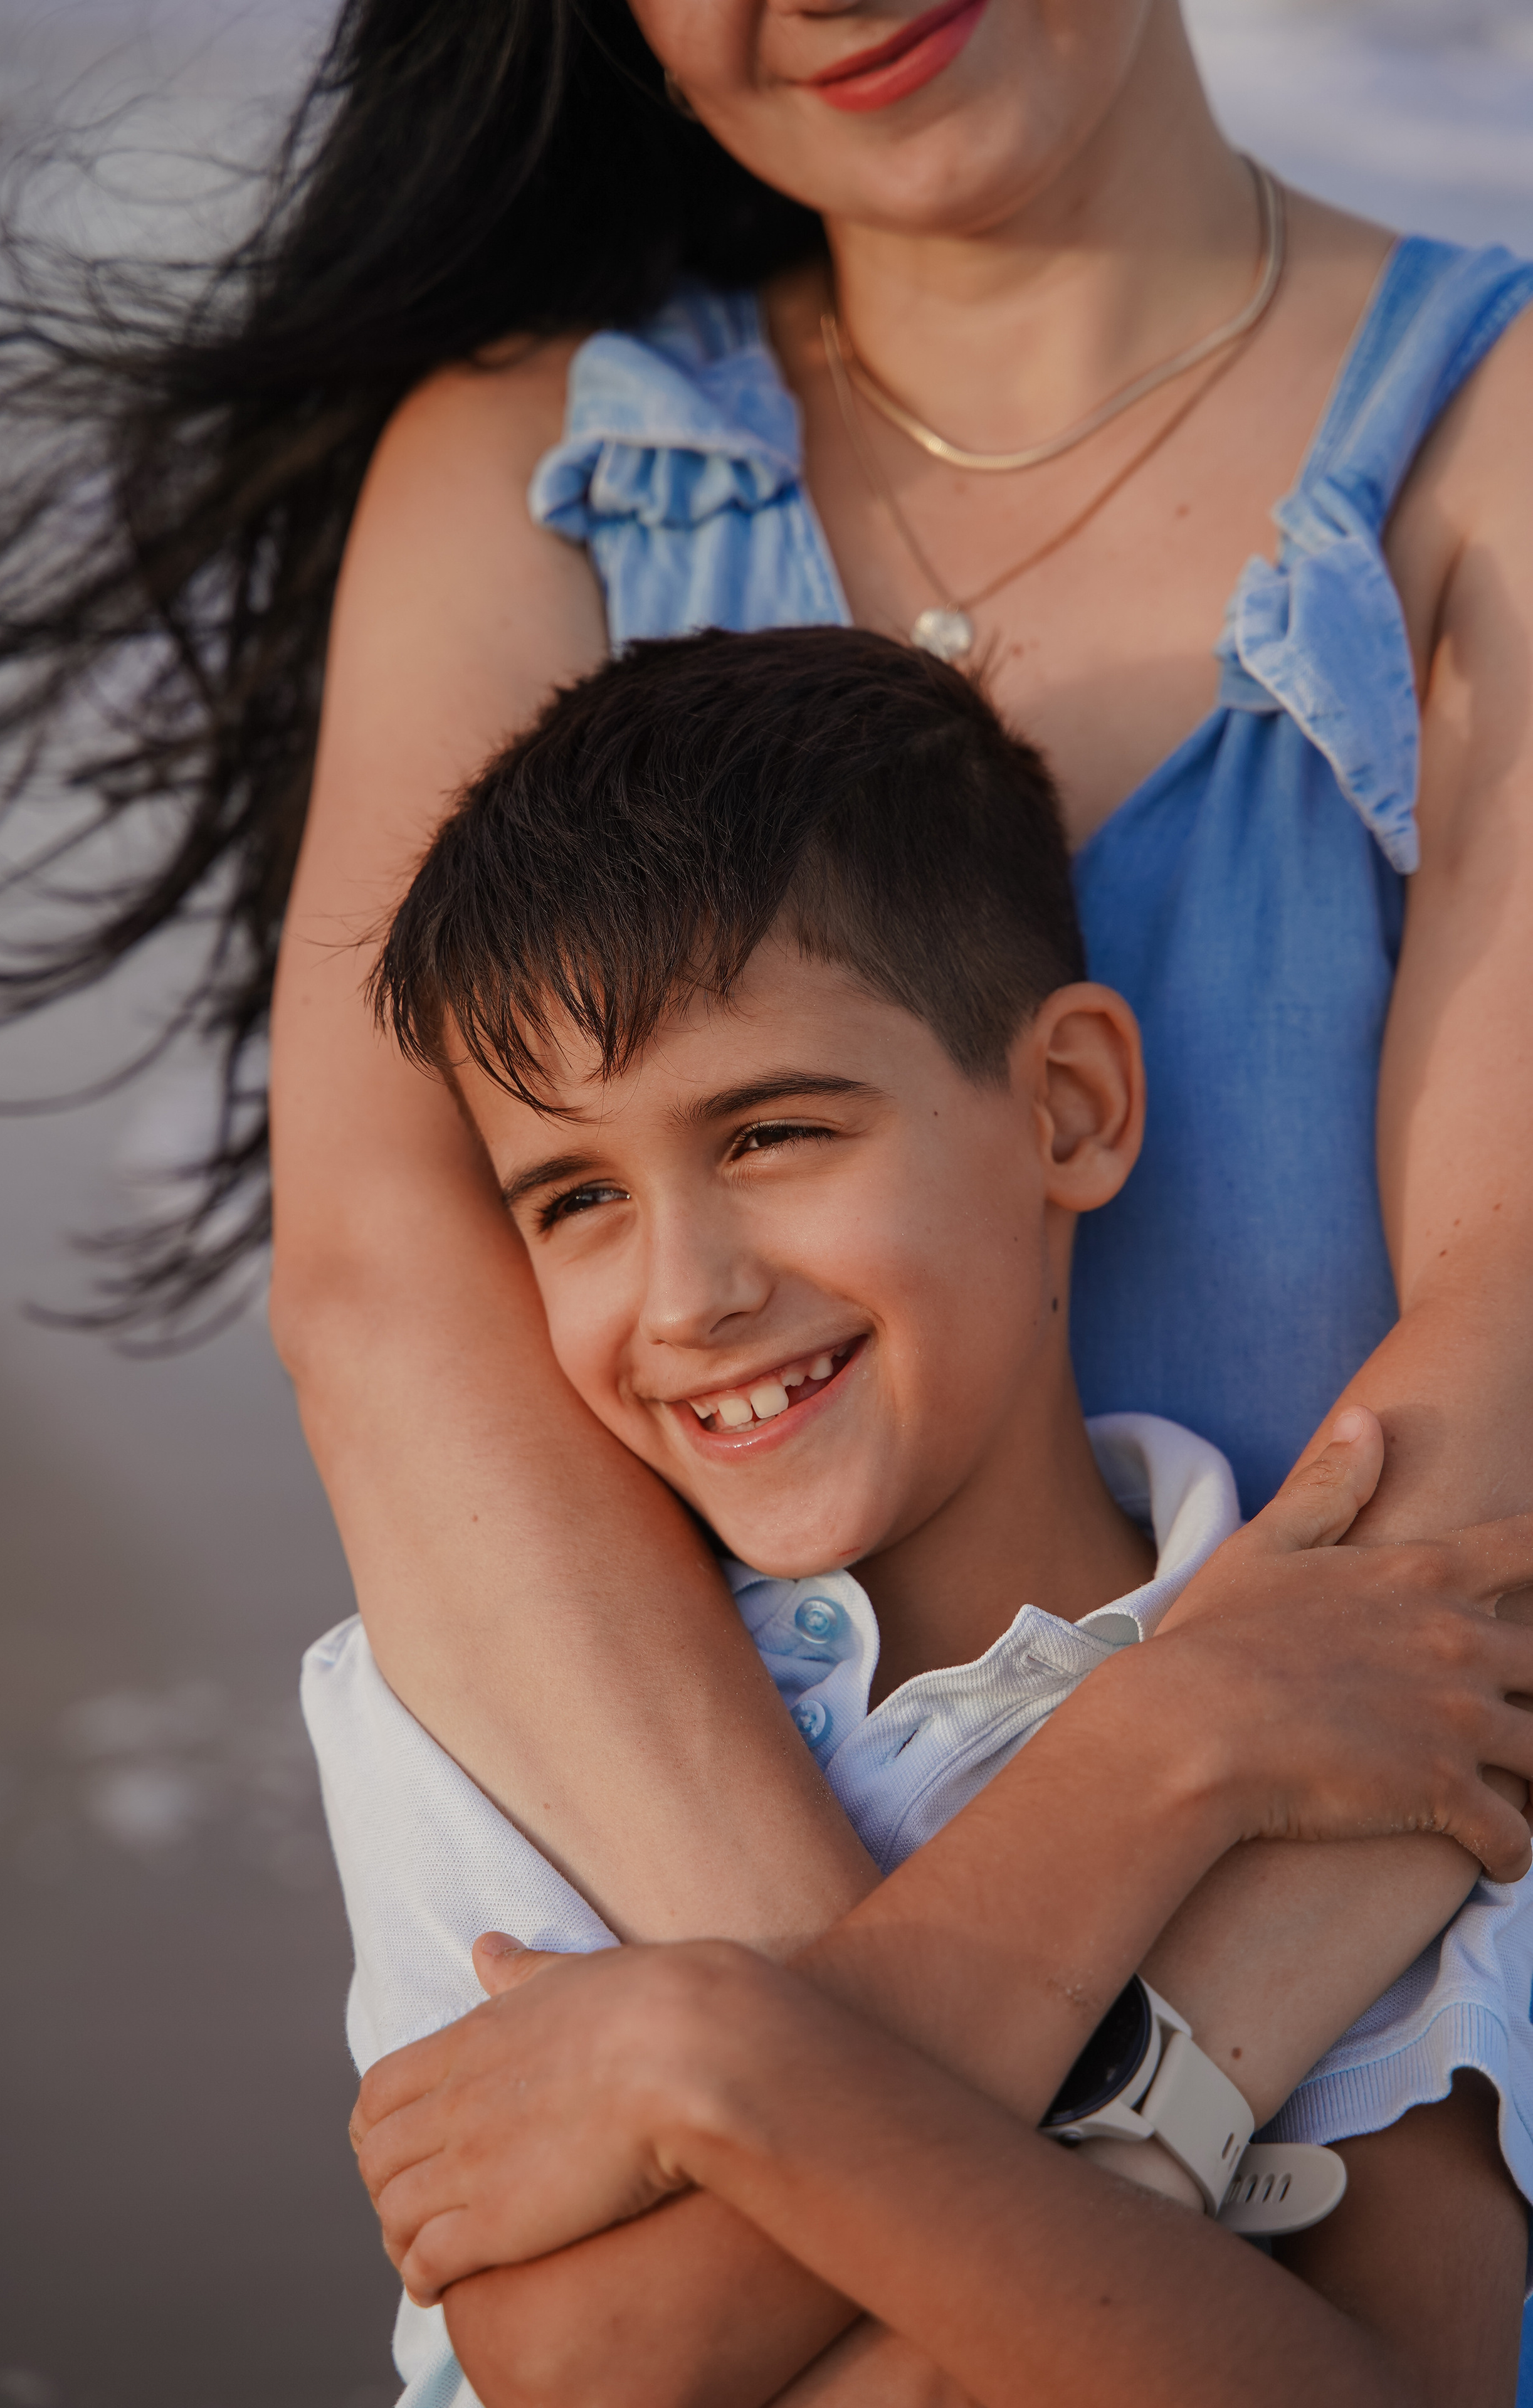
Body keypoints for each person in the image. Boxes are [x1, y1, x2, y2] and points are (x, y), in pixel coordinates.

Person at [305, 626, 1533, 2408]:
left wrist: (712, 2058)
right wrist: (1160, 1752)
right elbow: (577, 2363)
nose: (686, 1296)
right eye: (573, 1193)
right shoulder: (476, 1708)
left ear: (1068, 1108)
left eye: (769, 1135)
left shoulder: (1363, 1677)